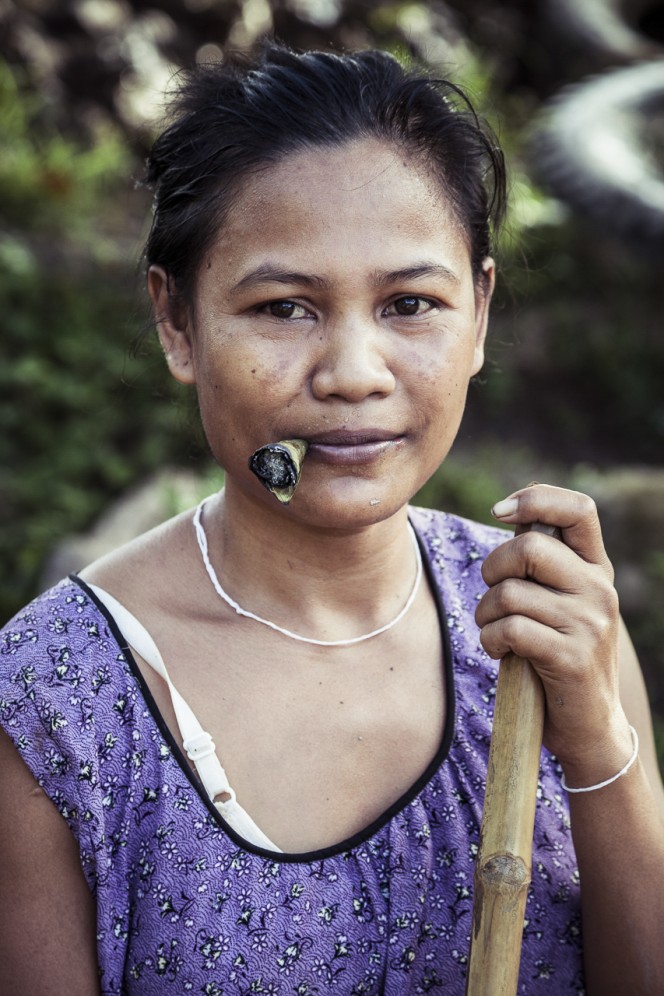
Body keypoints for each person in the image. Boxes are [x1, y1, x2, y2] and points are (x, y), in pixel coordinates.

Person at [1, 43, 663, 996]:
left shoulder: (543, 622)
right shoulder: (56, 697)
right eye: (284, 308)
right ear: (177, 322)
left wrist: (600, 741)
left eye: (410, 303)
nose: (354, 371)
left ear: (477, 315)